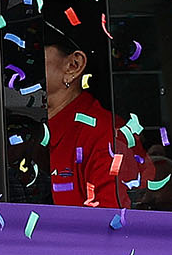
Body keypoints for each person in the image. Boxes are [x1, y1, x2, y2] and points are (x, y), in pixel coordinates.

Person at [40, 29, 126, 208]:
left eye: (35, 48)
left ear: (74, 65)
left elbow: (110, 226)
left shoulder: (106, 134)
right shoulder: (19, 128)